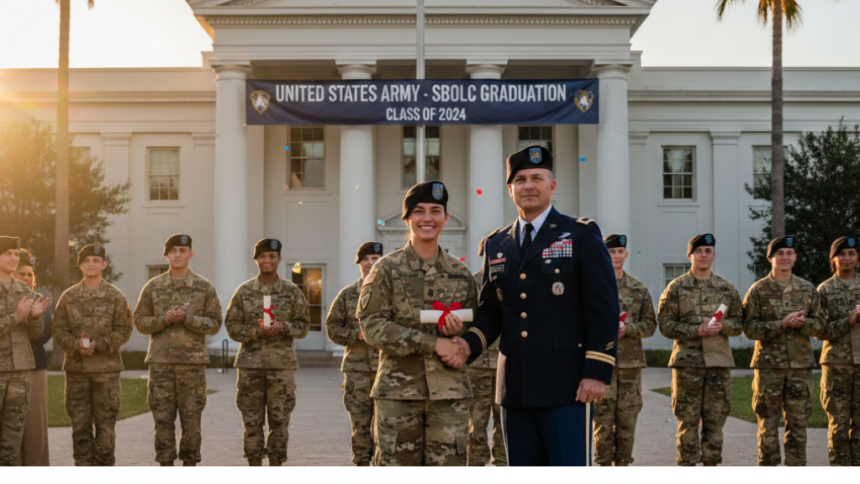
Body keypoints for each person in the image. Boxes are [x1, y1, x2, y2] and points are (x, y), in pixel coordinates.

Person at [456, 145, 619, 466]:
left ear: (552, 186)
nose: (528, 185)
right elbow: (491, 311)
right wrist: (465, 345)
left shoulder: (580, 234)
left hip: (567, 384)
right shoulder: (497, 243)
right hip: (514, 387)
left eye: (537, 178)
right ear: (510, 189)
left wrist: (597, 371)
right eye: (520, 179)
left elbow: (603, 306)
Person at [357, 181, 477, 466]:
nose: (427, 219)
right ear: (408, 217)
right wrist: (434, 342)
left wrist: (460, 339)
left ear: (445, 218)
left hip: (450, 392)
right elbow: (371, 325)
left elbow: (476, 325)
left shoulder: (461, 273)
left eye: (436, 211)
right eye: (419, 211)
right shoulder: (386, 269)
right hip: (399, 393)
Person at [133, 234, 223, 466]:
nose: (178, 254)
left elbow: (215, 323)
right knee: (162, 420)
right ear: (166, 255)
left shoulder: (204, 287)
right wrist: (163, 319)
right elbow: (140, 321)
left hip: (192, 366)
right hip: (161, 364)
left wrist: (187, 319)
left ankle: (190, 466)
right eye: (173, 250)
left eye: (183, 250)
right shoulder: (153, 287)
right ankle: (165, 467)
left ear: (190, 254)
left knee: (191, 421)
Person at [657, 234, 743, 466]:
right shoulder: (676, 288)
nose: (703, 255)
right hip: (687, 366)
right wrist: (697, 331)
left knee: (715, 424)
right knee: (687, 423)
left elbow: (739, 323)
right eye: (699, 251)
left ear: (713, 255)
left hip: (718, 365)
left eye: (708, 250)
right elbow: (665, 325)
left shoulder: (727, 288)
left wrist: (723, 325)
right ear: (690, 255)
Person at [225, 238, 310, 466]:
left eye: (272, 256)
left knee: (279, 421)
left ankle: (275, 467)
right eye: (262, 256)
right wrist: (255, 333)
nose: (267, 260)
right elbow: (232, 326)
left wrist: (281, 327)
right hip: (250, 366)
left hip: (281, 367)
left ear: (279, 259)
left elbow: (303, 326)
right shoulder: (243, 292)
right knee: (251, 422)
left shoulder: (292, 292)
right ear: (256, 260)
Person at [742, 235, 824, 466]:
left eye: (789, 253)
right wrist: (782, 324)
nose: (785, 257)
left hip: (800, 368)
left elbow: (820, 327)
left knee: (798, 425)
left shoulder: (807, 289)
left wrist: (803, 324)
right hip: (769, 369)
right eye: (780, 253)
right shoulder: (758, 290)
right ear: (770, 258)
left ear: (795, 257)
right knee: (767, 425)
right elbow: (748, 328)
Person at [52, 244, 133, 466]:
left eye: (96, 260)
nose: (91, 264)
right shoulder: (68, 297)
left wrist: (102, 345)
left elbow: (124, 329)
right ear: (80, 265)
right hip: (77, 372)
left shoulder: (116, 296)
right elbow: (59, 330)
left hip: (107, 372)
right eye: (86, 260)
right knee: (80, 429)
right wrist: (76, 346)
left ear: (104, 265)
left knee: (106, 430)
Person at [592, 234, 656, 467]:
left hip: (630, 366)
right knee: (602, 421)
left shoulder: (638, 289)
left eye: (620, 251)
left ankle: (623, 466)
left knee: (628, 421)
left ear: (626, 255)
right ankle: (604, 465)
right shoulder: (593, 286)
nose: (616, 256)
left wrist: (628, 329)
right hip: (600, 363)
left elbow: (650, 325)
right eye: (611, 252)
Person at [326, 241, 383, 466]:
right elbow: (332, 328)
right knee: (360, 426)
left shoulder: (393, 292)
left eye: (375, 259)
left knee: (386, 427)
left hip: (388, 371)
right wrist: (355, 335)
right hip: (357, 372)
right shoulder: (348, 294)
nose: (370, 263)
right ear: (359, 263)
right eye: (366, 259)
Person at [0, 236, 49, 466]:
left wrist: (35, 318)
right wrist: (15, 318)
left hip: (20, 375)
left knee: (11, 444)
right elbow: (15, 321)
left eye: (15, 254)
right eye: (7, 254)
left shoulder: (24, 290)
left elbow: (33, 334)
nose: (13, 258)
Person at [814, 236, 860, 466]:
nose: (847, 258)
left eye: (851, 253)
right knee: (839, 425)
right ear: (833, 259)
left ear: (857, 257)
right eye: (841, 254)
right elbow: (817, 330)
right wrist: (848, 321)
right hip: (836, 366)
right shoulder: (824, 290)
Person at [466, 254, 506, 467]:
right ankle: (476, 464)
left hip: (504, 363)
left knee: (504, 420)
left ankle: (502, 463)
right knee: (477, 421)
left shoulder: (509, 279)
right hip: (478, 365)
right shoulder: (472, 284)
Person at [13, 249, 52, 466]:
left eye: (29, 274)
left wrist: (33, 316)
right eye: (21, 273)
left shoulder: (40, 300)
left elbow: (45, 334)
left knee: (36, 425)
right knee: (10, 427)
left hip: (35, 367)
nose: (26, 278)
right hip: (7, 368)